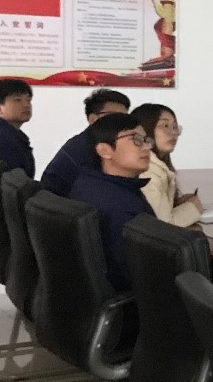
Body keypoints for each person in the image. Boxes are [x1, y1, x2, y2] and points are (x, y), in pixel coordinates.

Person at [68, 113, 153, 291]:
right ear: (105, 150)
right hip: (133, 298)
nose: (146, 147)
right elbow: (139, 274)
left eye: (146, 140)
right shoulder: (121, 207)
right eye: (136, 140)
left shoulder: (88, 183)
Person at [40, 88, 130, 196]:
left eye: (125, 117)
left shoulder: (96, 141)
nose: (122, 122)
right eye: (114, 116)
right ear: (93, 119)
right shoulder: (85, 149)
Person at [132, 102, 203, 227]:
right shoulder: (147, 173)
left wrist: (177, 204)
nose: (173, 132)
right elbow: (163, 227)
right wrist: (193, 207)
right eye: (165, 126)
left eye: (175, 126)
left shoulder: (157, 167)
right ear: (144, 130)